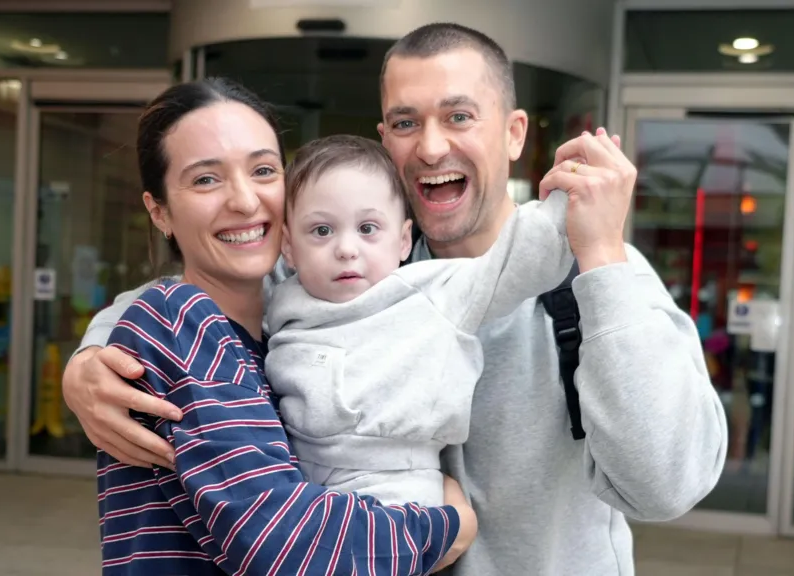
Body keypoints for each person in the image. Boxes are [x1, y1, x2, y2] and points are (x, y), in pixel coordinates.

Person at [65, 23, 727, 575]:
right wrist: (91, 359)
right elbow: (198, 295)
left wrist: (603, 258)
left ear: (515, 133)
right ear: (386, 141)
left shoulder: (593, 278)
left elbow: (666, 487)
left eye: (459, 116)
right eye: (407, 122)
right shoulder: (350, 270)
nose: (431, 145)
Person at [96, 77, 477, 575]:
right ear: (160, 211)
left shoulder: (280, 330)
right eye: (206, 179)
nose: (244, 200)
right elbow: (290, 549)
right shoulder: (178, 322)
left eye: (263, 170)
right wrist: (450, 523)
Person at [266, 134, 573, 507]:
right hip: (299, 487)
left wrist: (568, 196)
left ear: (403, 240)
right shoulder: (278, 306)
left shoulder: (432, 292)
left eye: (367, 229)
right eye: (321, 231)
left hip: (397, 489)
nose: (346, 249)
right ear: (287, 246)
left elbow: (513, 262)